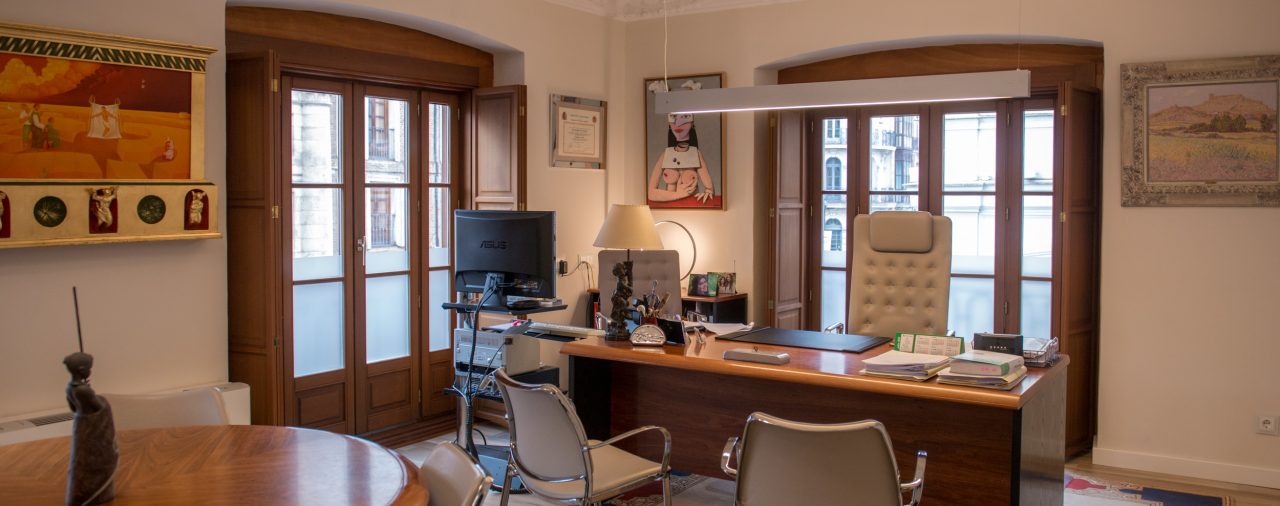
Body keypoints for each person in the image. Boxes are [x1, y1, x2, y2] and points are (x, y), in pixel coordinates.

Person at [63, 352, 118, 505]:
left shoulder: (70, 388)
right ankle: (97, 492)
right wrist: (92, 394)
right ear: (82, 369)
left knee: (81, 460)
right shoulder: (84, 391)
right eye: (89, 368)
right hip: (93, 430)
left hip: (81, 427)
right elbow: (99, 407)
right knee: (96, 461)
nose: (90, 371)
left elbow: (74, 409)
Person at [647, 113, 714, 204]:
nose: (678, 124)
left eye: (685, 117)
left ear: (692, 123)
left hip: (692, 206)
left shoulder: (696, 154)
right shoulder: (666, 155)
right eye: (674, 117)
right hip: (670, 207)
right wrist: (679, 194)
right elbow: (651, 193)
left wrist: (708, 192)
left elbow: (709, 189)